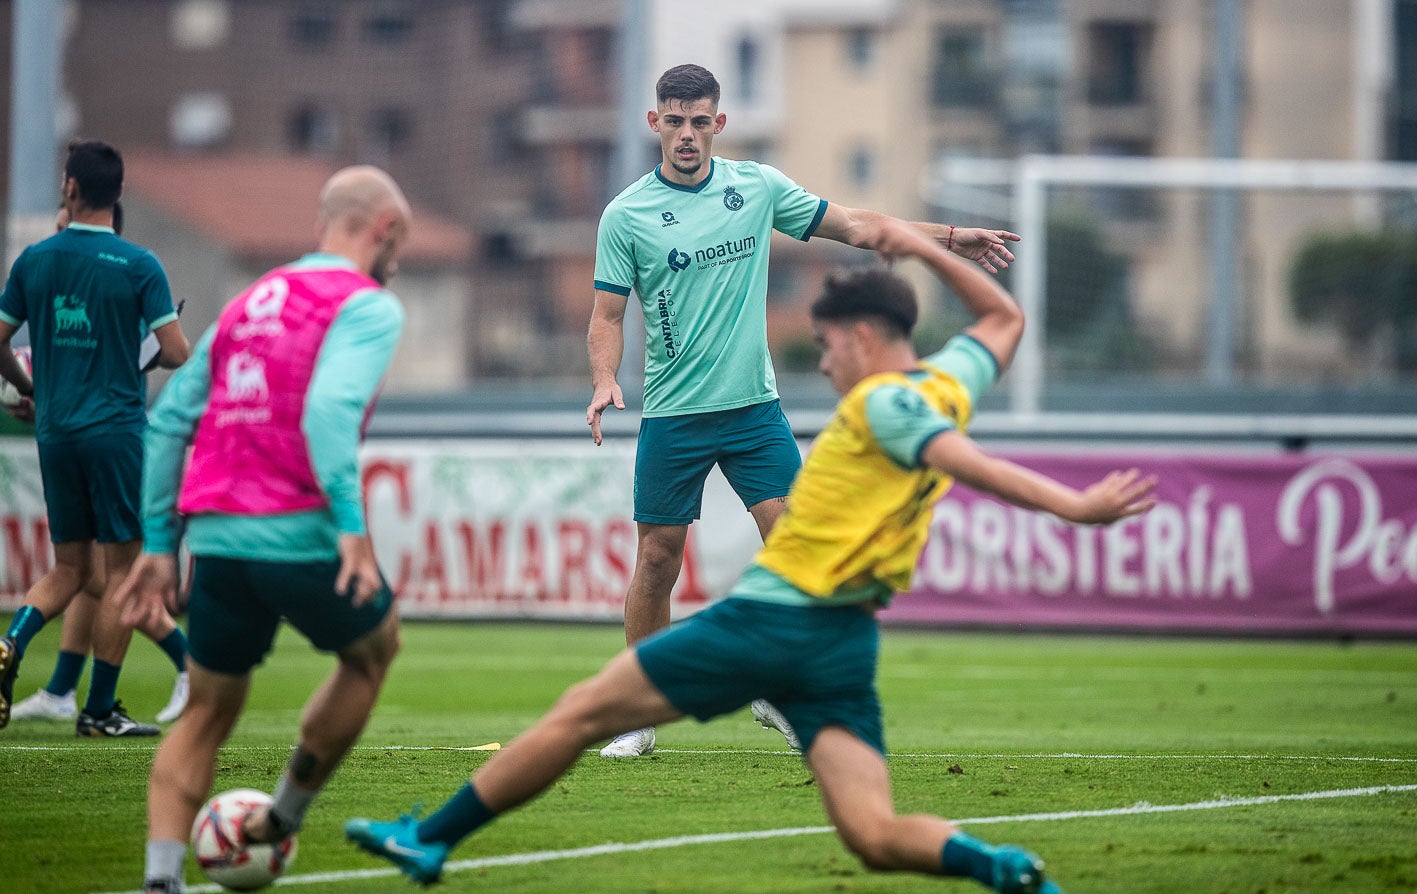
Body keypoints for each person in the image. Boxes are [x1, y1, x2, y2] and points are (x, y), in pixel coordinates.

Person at [347, 217, 1156, 892]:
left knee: (580, 714)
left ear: (866, 338)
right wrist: (923, 250)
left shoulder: (888, 404)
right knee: (872, 835)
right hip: (841, 647)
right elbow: (1002, 320)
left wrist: (1074, 506)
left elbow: (959, 460)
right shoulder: (948, 378)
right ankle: (997, 866)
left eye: (828, 344)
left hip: (775, 621)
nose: (823, 359)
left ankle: (430, 837)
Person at [587, 63, 1021, 756]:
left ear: (718, 124)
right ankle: (638, 714)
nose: (687, 134)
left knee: (797, 549)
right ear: (654, 124)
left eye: (700, 121)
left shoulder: (754, 187)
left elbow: (854, 225)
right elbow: (606, 314)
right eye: (674, 121)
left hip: (754, 410)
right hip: (672, 415)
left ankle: (777, 687)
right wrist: (604, 378)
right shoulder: (626, 214)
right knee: (657, 561)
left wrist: (944, 237)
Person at [115, 165, 411, 894]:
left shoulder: (249, 302)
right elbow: (328, 414)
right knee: (373, 651)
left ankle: (160, 876)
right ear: (386, 230)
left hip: (215, 536)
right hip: (297, 530)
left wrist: (159, 547)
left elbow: (168, 424)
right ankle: (282, 815)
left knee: (209, 710)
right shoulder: (367, 305)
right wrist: (351, 527)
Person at [0, 140, 191, 736]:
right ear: (119, 194)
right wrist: (143, 360)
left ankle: (10, 643)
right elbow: (178, 351)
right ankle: (100, 709)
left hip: (55, 433)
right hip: (115, 432)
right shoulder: (139, 265)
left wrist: (31, 387)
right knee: (122, 575)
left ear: (70, 188)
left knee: (69, 569)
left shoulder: (35, 260)